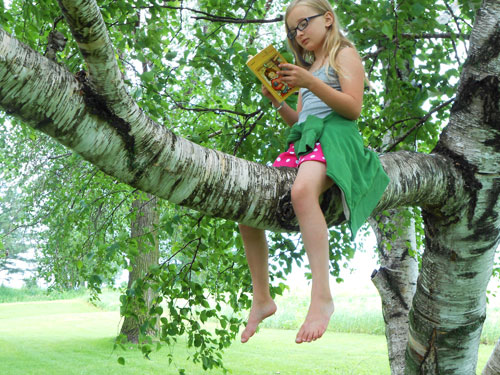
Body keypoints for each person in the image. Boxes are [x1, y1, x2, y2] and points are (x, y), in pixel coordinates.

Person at [239, 0, 389, 344]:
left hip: (336, 138)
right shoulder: (305, 71)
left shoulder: (344, 54)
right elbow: (300, 120)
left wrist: (308, 79)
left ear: (327, 18)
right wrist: (279, 102)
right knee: (246, 208)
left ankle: (322, 295)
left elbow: (352, 108)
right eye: (293, 30)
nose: (298, 33)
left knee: (302, 191)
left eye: (303, 24)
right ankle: (261, 297)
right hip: (307, 143)